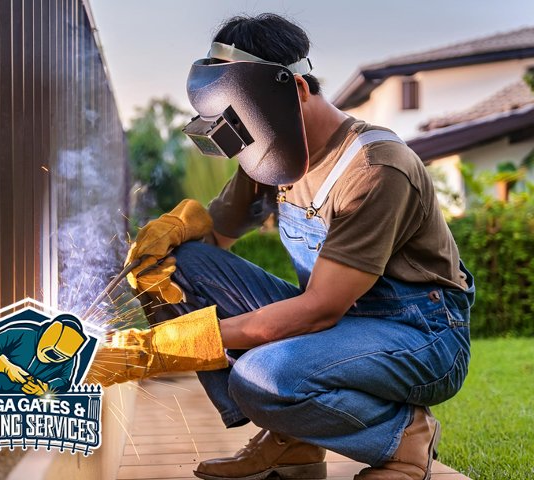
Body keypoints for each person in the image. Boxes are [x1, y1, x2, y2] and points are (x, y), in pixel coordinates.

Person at [88, 13, 475, 480]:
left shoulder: (375, 168)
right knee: (170, 268)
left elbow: (318, 311)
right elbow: (213, 239)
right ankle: (295, 439)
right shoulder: (272, 155)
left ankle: (402, 439)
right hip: (341, 319)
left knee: (263, 376)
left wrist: (163, 346)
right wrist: (175, 227)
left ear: (297, 90)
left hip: (421, 334)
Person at [0, 314, 87, 395]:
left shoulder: (70, 359)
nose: (52, 359)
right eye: (52, 352)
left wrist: (45, 389)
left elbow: (64, 381)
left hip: (35, 408)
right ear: (47, 332)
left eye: (61, 357)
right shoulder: (21, 334)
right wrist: (7, 367)